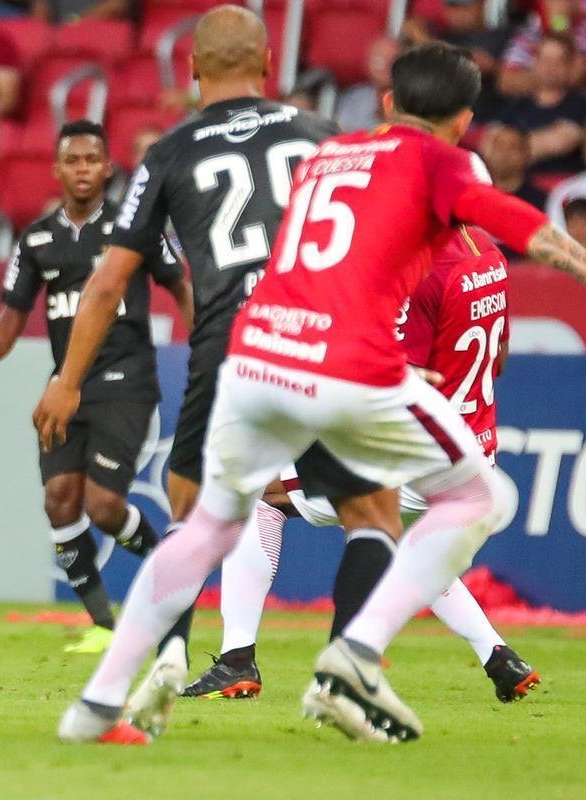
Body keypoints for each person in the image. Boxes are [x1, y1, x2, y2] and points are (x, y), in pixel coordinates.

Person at [50, 41, 586, 746]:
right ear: (463, 120)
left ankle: (96, 706)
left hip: (258, 351)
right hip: (344, 363)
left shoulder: (332, 150)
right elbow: (523, 228)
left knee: (216, 521)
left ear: (388, 103)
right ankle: (354, 658)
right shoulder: (440, 164)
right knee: (480, 498)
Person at [29, 7, 337, 709]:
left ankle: (163, 660)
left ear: (191, 68)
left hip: (233, 341)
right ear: (268, 65)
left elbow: (108, 281)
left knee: (189, 496)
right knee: (360, 498)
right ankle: (339, 656)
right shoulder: (321, 134)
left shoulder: (170, 151)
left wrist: (67, 381)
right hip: (324, 336)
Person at [181, 227, 539, 705]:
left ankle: (237, 659)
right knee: (408, 545)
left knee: (261, 491)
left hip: (419, 451)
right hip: (474, 448)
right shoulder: (488, 252)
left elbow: (398, 377)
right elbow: (498, 360)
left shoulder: (423, 268)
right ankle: (500, 658)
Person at [0, 120, 191, 654]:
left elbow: (179, 283)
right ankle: (102, 625)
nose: (83, 170)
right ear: (57, 169)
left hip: (125, 381)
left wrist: (206, 342)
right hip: (63, 387)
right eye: (73, 161)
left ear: (108, 167)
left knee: (104, 507)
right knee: (58, 499)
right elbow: (12, 315)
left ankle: (175, 569)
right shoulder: (39, 237)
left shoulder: (132, 226)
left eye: (92, 160)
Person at [497, 33, 586, 177]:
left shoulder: (580, 106)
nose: (550, 68)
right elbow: (490, 143)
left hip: (561, 190)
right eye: (545, 60)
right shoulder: (517, 105)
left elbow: (561, 140)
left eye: (558, 61)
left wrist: (507, 150)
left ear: (570, 66)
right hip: (518, 186)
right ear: (534, 62)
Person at [335, 36, 399, 132]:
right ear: (367, 62)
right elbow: (340, 132)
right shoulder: (356, 97)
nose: (385, 66)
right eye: (379, 60)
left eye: (393, 61)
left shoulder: (409, 99)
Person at [479, 124, 548, 209]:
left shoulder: (539, 201)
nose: (504, 154)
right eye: (499, 146)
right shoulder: (474, 191)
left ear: (526, 155)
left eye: (513, 147)